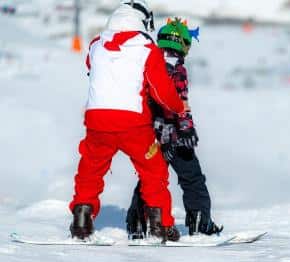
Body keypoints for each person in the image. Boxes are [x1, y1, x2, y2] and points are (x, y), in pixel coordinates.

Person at [69, 1, 184, 242]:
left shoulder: (96, 45)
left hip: (97, 120)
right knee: (153, 171)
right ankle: (160, 226)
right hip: (134, 124)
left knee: (90, 170)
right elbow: (161, 91)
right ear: (144, 21)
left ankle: (81, 219)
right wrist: (178, 108)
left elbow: (91, 67)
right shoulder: (146, 48)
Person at [126, 18, 223, 240]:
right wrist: (187, 128)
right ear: (183, 45)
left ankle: (138, 223)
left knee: (150, 179)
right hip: (174, 135)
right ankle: (200, 223)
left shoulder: (147, 64)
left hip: (149, 134)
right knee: (192, 178)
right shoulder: (177, 69)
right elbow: (179, 101)